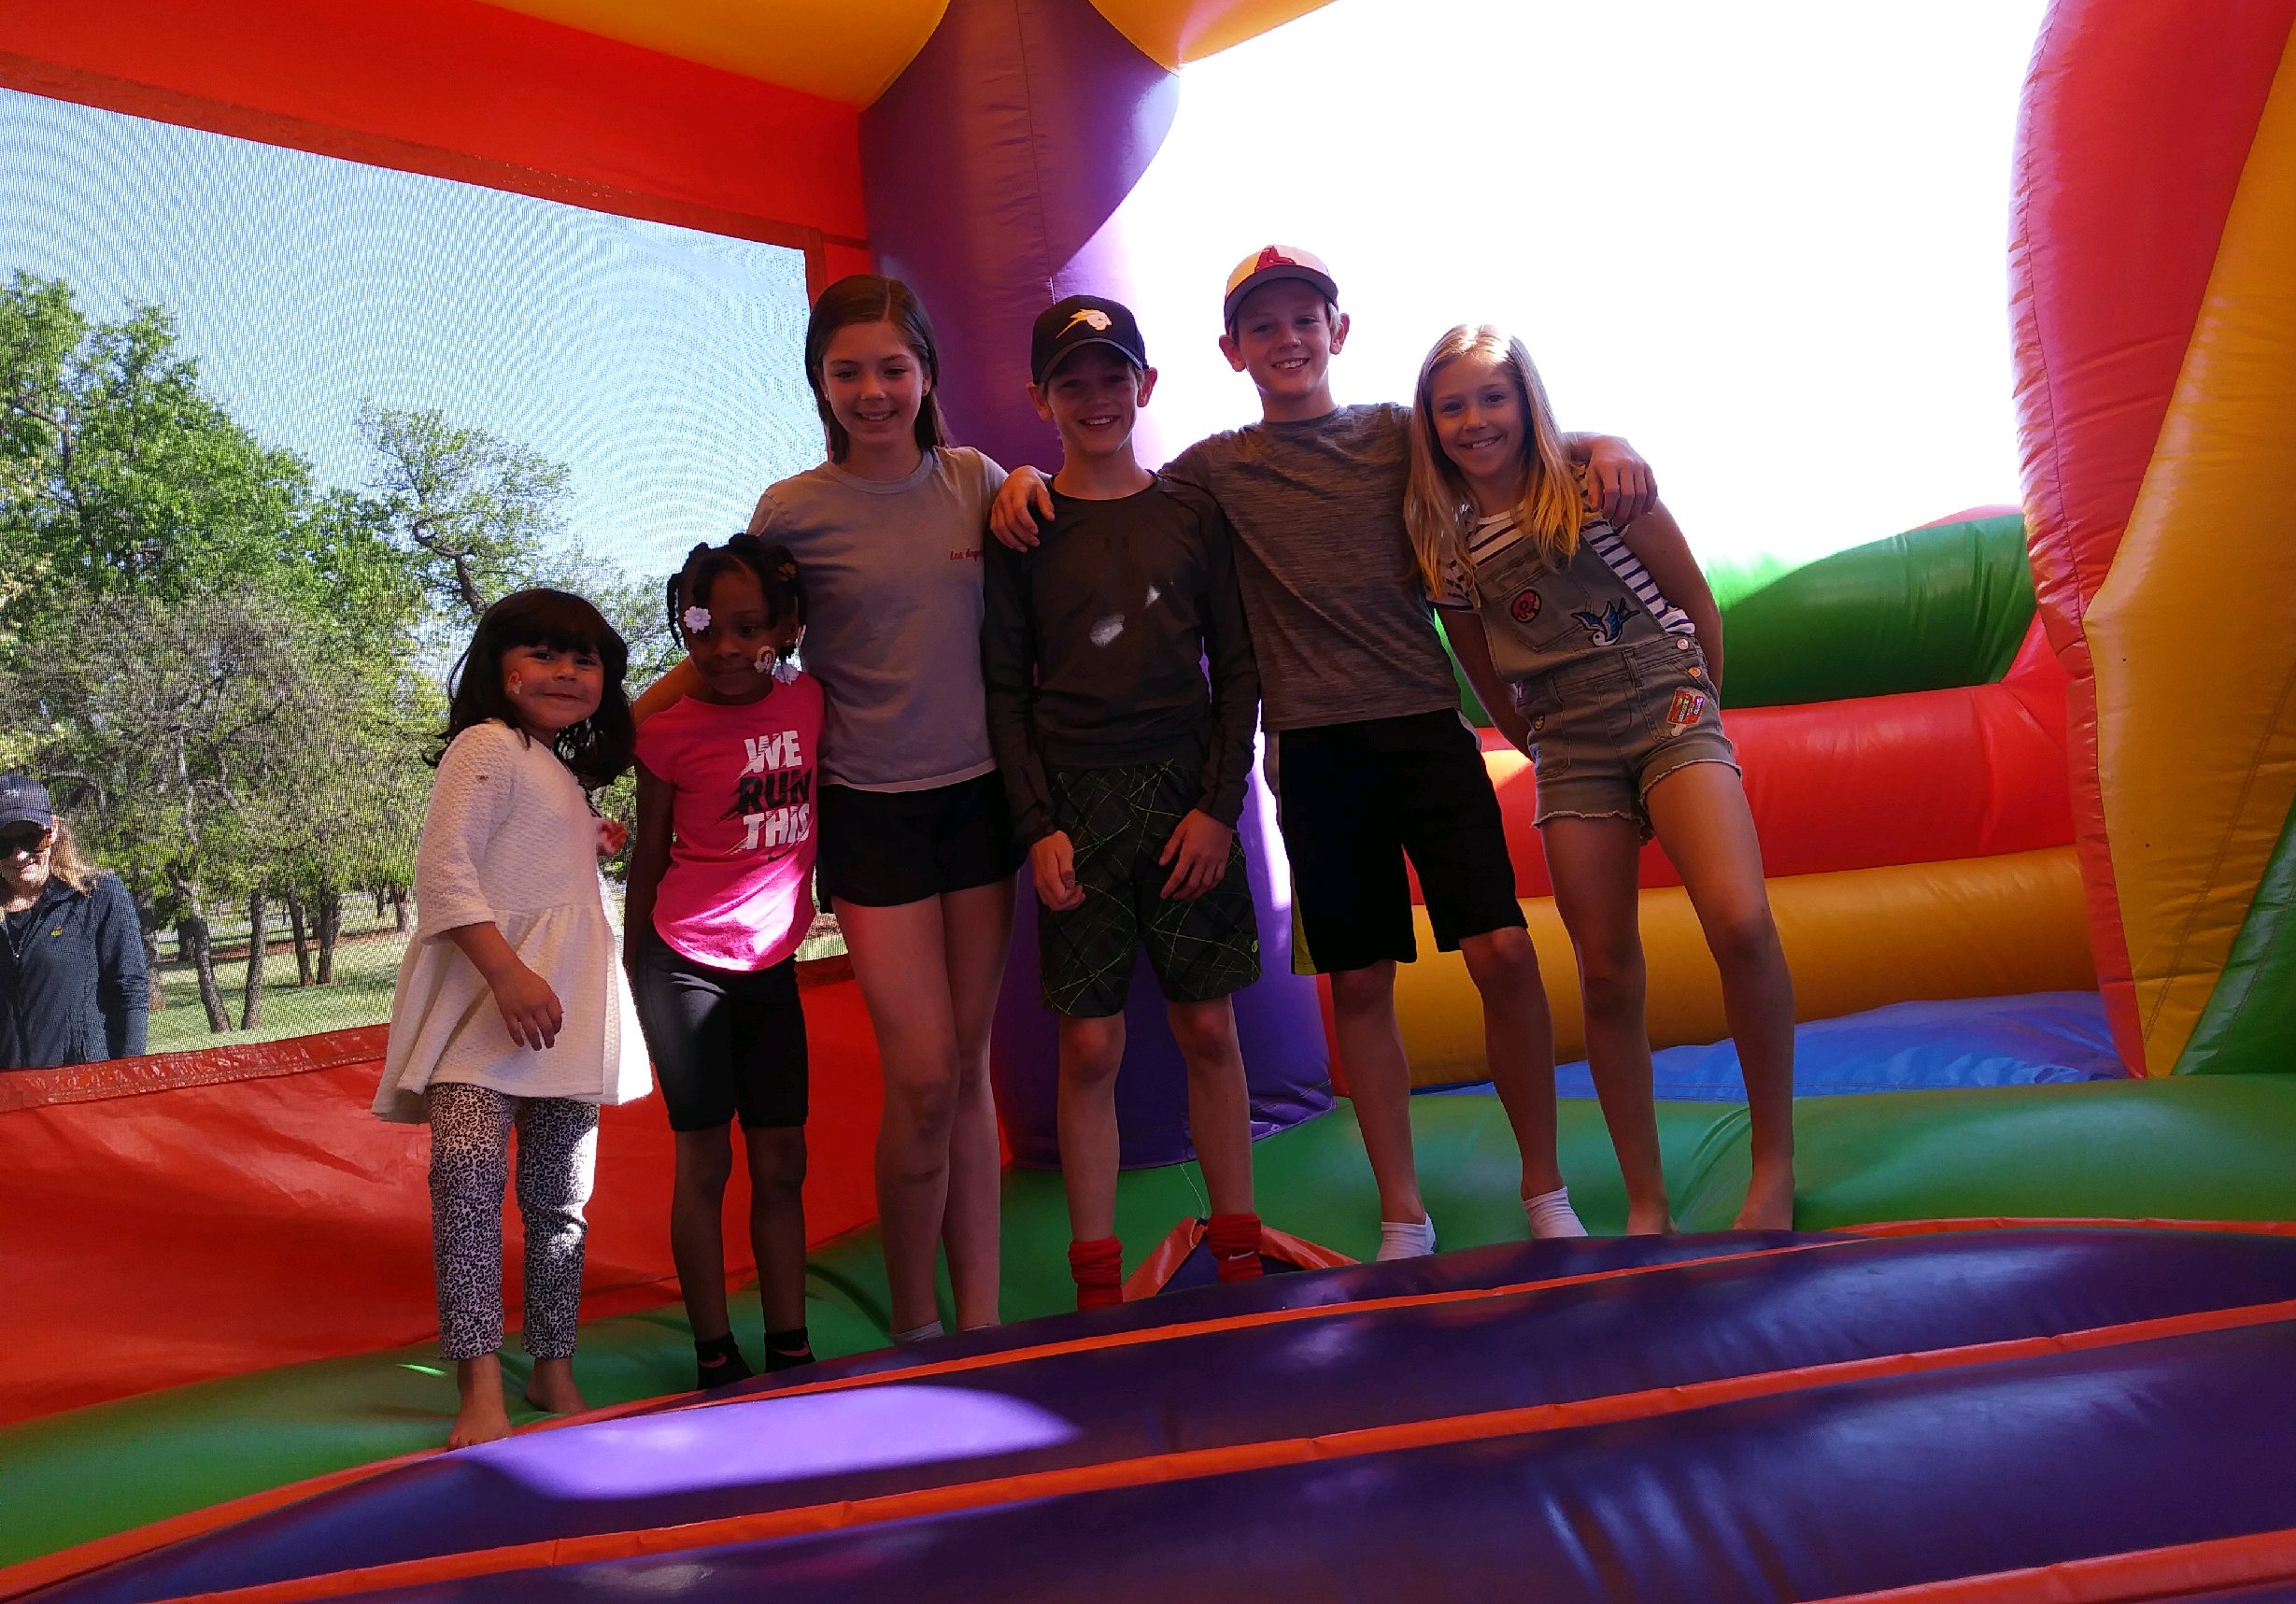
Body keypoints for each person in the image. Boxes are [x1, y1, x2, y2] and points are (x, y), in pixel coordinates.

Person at [997, 247, 1652, 1260]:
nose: (1287, 340)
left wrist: (1601, 441)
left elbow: (1508, 442)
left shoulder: (1401, 437)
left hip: (1424, 729)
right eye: (1263, 327)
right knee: (1357, 984)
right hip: (1312, 749)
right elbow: (1111, 494)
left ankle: (1543, 1182)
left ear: (1337, 331)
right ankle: (1403, 1211)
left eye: (1305, 321)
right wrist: (1021, 483)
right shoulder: (1216, 470)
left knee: (1504, 950)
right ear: (1231, 351)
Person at [639, 275, 1017, 1345]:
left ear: (926, 375)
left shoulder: (975, 484)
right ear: (818, 383)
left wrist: (1032, 474)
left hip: (977, 800)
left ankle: (980, 1325)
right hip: (871, 812)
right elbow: (732, 644)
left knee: (972, 1067)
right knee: (926, 1073)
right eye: (846, 371)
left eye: (891, 369)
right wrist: (616, 725)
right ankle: (914, 1329)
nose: (871, 390)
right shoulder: (793, 511)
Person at [1407, 325, 1795, 1232]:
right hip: (1568, 739)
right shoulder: (1446, 547)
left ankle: (1772, 1164)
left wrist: (1695, 710)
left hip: (1664, 701)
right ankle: (1647, 1200)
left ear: (1528, 403)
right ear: (1428, 423)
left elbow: (1694, 600)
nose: (1474, 420)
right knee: (1607, 973)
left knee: (1740, 920)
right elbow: (1486, 676)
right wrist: (1544, 742)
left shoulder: (1595, 486)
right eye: (1451, 405)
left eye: (1492, 398)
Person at [983, 296, 1267, 1311]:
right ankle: (1096, 1278)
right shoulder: (1022, 527)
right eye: (1074, 383)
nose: (1097, 399)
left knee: (1207, 1030)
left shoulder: (1193, 514)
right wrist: (1036, 826)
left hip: (1184, 796)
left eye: (1115, 378)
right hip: (1075, 808)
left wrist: (1215, 807)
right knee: (1091, 1042)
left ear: (1145, 386)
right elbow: (1004, 689)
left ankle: (1239, 1246)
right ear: (1040, 399)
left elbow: (1237, 670)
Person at [374, 589, 651, 1448]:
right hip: (487, 1011)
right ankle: (478, 1389)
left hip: (565, 1012)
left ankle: (553, 1365)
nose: (567, 674)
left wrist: (589, 835)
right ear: (499, 666)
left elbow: (532, 855)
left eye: (586, 659)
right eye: (542, 655)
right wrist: (508, 975)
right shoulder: (485, 745)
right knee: (466, 1189)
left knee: (561, 1203)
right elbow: (446, 875)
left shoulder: (552, 766)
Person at [624, 535, 823, 1386]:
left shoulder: (808, 701)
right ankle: (714, 1352)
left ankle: (791, 1343)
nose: (726, 649)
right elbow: (648, 855)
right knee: (705, 1158)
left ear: (784, 628)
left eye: (750, 630)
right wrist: (636, 966)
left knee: (783, 1159)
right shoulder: (668, 735)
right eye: (703, 629)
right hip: (684, 965)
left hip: (770, 966)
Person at [0, 776, 148, 1070]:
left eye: (31, 837)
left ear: (53, 831)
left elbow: (130, 990)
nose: (19, 855)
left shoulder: (98, 895)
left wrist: (129, 1081)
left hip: (80, 1096)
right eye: (2, 843)